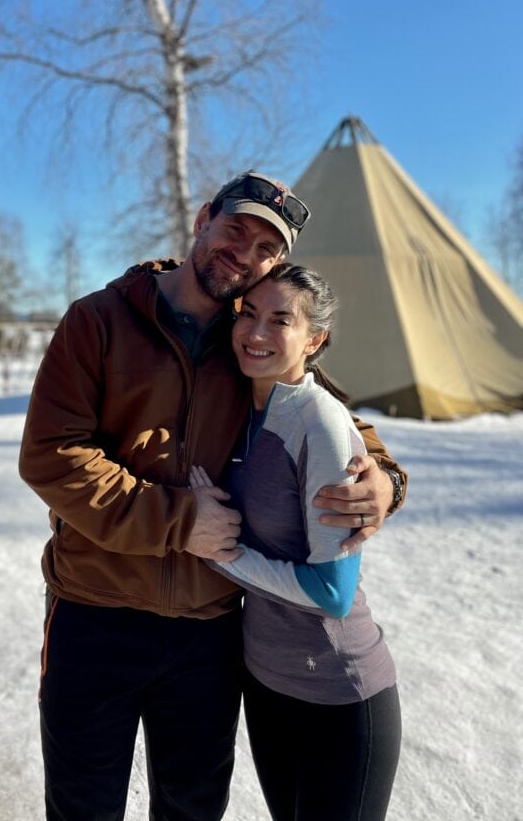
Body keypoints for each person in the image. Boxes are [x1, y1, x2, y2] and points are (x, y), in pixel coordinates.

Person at [19, 171, 407, 821]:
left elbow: (333, 417)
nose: (245, 253)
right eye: (237, 229)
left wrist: (386, 479)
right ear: (205, 219)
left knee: (193, 810)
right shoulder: (100, 320)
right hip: (97, 611)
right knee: (83, 808)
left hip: (209, 635)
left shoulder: (250, 337)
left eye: (266, 248)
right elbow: (51, 457)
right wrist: (178, 521)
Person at [190, 262, 400, 821]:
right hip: (265, 681)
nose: (256, 333)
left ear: (315, 339)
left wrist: (222, 554)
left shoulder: (320, 423)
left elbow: (332, 590)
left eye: (280, 320)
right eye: (248, 314)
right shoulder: (239, 406)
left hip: (338, 687)